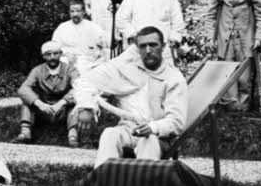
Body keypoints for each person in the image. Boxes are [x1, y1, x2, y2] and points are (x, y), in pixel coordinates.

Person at [73, 26, 187, 168]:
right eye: (143, 46)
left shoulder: (173, 78)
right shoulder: (127, 69)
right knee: (110, 134)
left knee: (148, 141)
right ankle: (103, 179)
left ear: (163, 47)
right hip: (129, 130)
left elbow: (176, 121)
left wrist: (152, 127)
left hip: (158, 136)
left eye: (153, 45)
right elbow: (87, 81)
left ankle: (142, 181)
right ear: (137, 48)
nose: (148, 50)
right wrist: (86, 106)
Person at [204, 0, 261, 110]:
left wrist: (259, 38)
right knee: (227, 73)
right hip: (225, 40)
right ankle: (231, 106)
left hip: (246, 40)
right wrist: (210, 38)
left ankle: (243, 106)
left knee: (245, 77)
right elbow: (210, 17)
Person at [118, 0, 185, 65]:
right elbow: (121, 19)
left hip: (164, 48)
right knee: (140, 72)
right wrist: (133, 35)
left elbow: (177, 18)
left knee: (166, 72)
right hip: (140, 48)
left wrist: (174, 38)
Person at [17, 41, 80, 146]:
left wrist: (62, 102)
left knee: (75, 104)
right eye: (48, 54)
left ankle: (73, 134)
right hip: (44, 110)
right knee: (27, 101)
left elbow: (79, 87)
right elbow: (23, 89)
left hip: (63, 111)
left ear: (60, 54)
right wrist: (39, 103)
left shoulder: (70, 69)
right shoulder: (37, 70)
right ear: (43, 56)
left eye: (55, 53)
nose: (52, 57)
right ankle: (25, 132)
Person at [51, 0, 107, 75]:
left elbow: (104, 43)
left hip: (87, 61)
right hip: (67, 58)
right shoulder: (62, 27)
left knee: (83, 70)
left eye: (78, 11)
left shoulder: (93, 27)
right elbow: (54, 46)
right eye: (72, 11)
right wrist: (66, 53)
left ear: (83, 12)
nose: (75, 14)